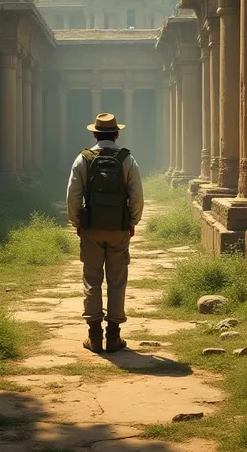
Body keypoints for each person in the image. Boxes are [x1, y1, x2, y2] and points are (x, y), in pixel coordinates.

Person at [66, 112, 144, 354]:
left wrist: (76, 222)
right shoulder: (127, 160)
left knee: (92, 278)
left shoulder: (83, 159)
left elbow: (72, 196)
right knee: (117, 280)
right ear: (116, 134)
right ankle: (113, 336)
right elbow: (137, 196)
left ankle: (95, 336)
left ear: (94, 134)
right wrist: (132, 221)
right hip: (118, 228)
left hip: (91, 228)